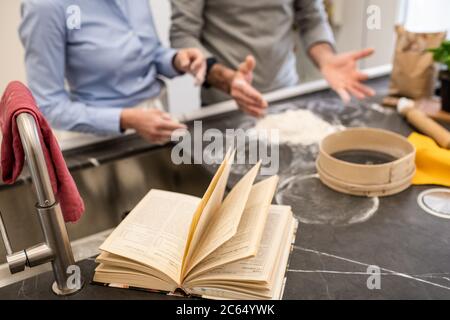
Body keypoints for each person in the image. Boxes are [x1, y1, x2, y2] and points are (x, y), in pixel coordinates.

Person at [19, 0, 206, 143]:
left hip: (159, 121)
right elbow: (49, 106)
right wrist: (127, 119)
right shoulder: (45, 7)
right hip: (98, 140)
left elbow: (149, 52)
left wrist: (176, 60)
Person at [170, 0, 376, 117]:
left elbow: (312, 19)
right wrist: (228, 80)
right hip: (225, 103)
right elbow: (183, 35)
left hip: (285, 95)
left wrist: (326, 58)